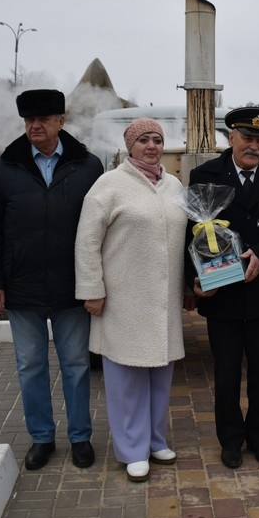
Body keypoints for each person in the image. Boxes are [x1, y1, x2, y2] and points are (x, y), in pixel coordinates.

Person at [0, 89, 104, 472]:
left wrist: (97, 283)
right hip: (22, 287)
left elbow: (102, 230)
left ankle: (80, 437)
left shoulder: (88, 166)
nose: (36, 125)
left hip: (71, 286)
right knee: (30, 364)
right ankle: (42, 438)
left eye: (44, 119)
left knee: (77, 365)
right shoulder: (4, 168)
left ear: (61, 121)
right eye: (30, 119)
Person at [187, 106, 259, 469]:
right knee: (225, 374)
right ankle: (231, 440)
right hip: (221, 293)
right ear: (231, 138)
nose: (254, 146)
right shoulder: (204, 174)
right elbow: (184, 234)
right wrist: (194, 282)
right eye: (247, 138)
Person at [74, 118, 187, 483]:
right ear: (129, 146)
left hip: (164, 298)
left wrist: (190, 285)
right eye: (143, 141)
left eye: (157, 140)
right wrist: (92, 289)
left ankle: (155, 440)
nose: (152, 146)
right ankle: (132, 449)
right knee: (126, 376)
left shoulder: (174, 185)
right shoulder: (108, 185)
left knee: (160, 373)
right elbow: (87, 242)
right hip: (124, 297)